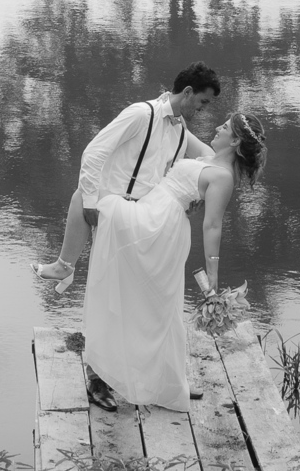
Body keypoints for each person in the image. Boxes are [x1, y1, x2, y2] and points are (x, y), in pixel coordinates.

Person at [82, 112, 267, 413]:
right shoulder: (208, 156)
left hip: (159, 227)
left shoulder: (223, 178)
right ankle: (155, 380)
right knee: (152, 305)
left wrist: (213, 275)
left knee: (160, 309)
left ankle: (164, 382)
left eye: (224, 127)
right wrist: (166, 104)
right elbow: (179, 125)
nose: (217, 127)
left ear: (234, 141)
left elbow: (212, 226)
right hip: (152, 216)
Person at [31, 62, 222, 294]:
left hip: (147, 216)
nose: (204, 109)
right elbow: (94, 153)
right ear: (188, 92)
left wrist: (195, 196)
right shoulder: (142, 114)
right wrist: (90, 203)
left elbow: (208, 160)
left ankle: (64, 265)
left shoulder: (180, 130)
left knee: (82, 197)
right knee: (83, 196)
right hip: (123, 208)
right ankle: (65, 266)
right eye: (203, 102)